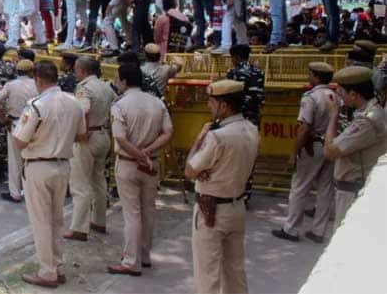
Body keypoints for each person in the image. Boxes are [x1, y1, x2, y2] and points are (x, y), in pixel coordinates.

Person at [11, 60, 86, 288]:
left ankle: (47, 272)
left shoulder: (35, 105)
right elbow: (82, 136)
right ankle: (57, 267)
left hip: (39, 166)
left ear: (38, 80)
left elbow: (19, 141)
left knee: (41, 222)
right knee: (56, 220)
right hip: (62, 165)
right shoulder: (74, 103)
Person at [184, 79, 260, 294]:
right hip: (236, 205)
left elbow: (190, 171)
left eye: (211, 102)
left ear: (224, 106)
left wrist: (200, 138)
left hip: (211, 211)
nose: (209, 105)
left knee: (208, 275)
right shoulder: (252, 129)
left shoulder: (217, 136)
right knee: (235, 271)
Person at [106, 63, 173, 277]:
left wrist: (138, 155)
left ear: (124, 81)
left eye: (118, 79)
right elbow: (168, 132)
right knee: (148, 210)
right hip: (151, 163)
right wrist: (148, 152)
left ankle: (131, 261)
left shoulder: (120, 105)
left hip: (128, 163)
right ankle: (144, 255)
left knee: (132, 214)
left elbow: (120, 138)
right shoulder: (157, 102)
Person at [272, 62, 337, 243]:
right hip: (331, 144)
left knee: (300, 187)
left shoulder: (311, 97)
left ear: (316, 76)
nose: (308, 77)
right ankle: (318, 231)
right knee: (325, 189)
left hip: (312, 146)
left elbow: (304, 128)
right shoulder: (336, 96)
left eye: (309, 74)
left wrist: (294, 152)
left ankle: (291, 229)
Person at [323, 66, 387, 224]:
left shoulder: (366, 121)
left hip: (353, 191)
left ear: (353, 94)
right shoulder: (372, 111)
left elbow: (330, 152)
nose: (340, 97)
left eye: (342, 93)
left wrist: (333, 115)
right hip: (355, 188)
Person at [64, 57, 116, 239]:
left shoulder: (84, 88)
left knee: (80, 184)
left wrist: (81, 132)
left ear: (82, 71)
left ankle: (79, 228)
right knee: (99, 181)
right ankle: (99, 221)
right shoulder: (106, 87)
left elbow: (82, 110)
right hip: (103, 134)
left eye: (76, 69)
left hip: (87, 138)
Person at [0, 59, 38, 202]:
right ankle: (32, 194)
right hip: (35, 124)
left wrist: (2, 119)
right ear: (31, 71)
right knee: (34, 159)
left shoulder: (11, 85)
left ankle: (15, 193)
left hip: (16, 124)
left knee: (15, 161)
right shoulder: (37, 85)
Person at [225, 45, 264, 126]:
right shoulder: (259, 72)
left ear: (236, 57)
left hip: (238, 115)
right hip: (254, 113)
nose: (232, 60)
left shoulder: (233, 72)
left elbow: (229, 95)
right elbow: (260, 95)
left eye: (232, 57)